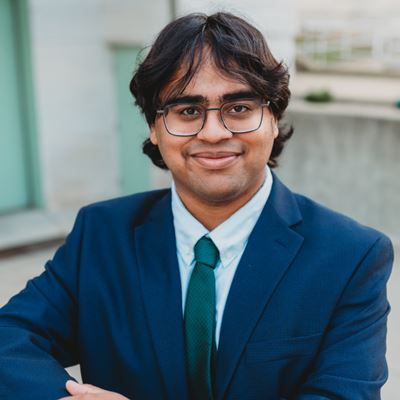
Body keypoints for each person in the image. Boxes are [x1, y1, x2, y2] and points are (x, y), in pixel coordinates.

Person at [0, 12, 393, 400]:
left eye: (239, 108)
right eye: (188, 111)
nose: (214, 133)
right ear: (154, 128)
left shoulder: (351, 255)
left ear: (274, 118)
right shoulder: (101, 233)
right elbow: (10, 338)